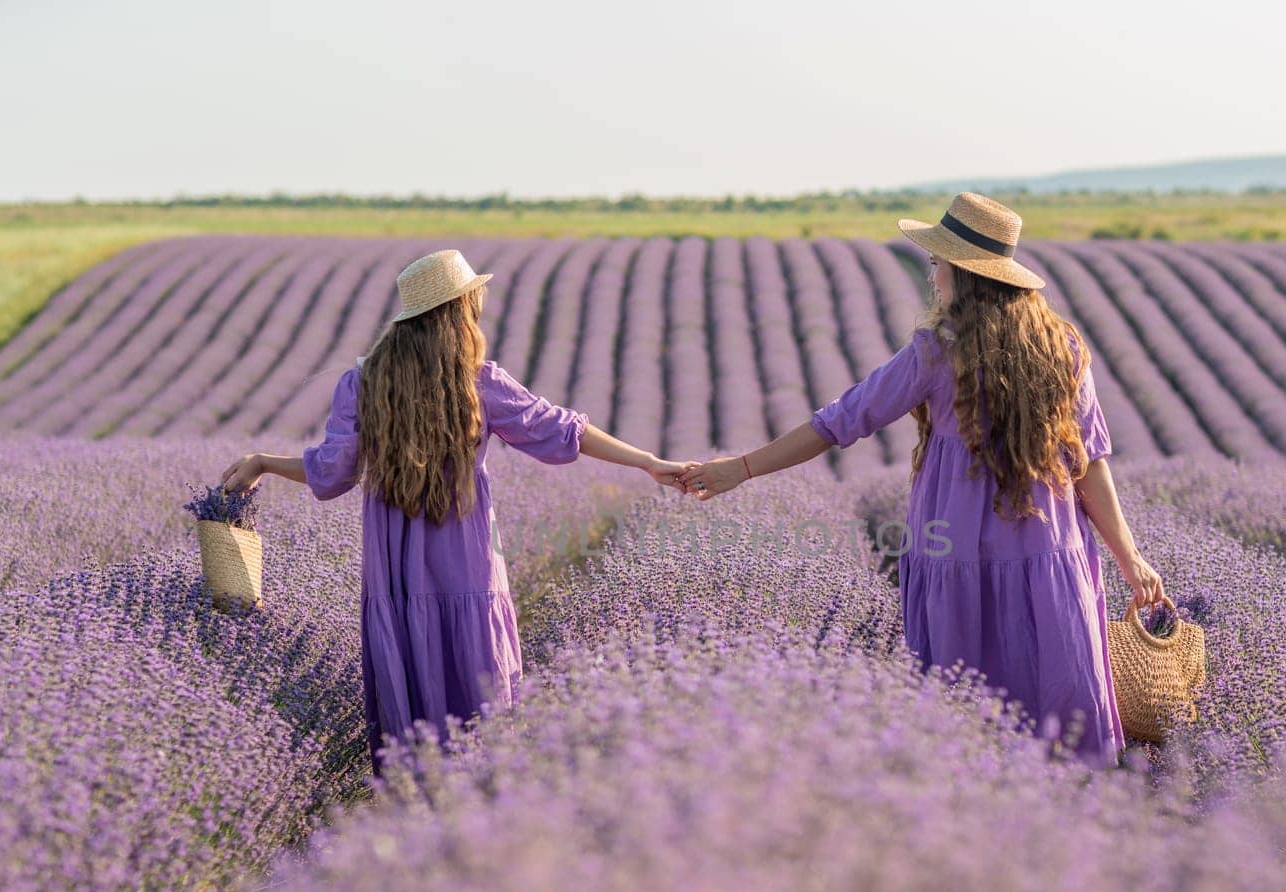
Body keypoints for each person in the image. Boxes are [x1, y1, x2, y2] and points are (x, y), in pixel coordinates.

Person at [679, 194, 1164, 769]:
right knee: (1060, 709)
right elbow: (1090, 466)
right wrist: (1130, 558)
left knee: (967, 719)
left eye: (937, 263)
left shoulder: (937, 353)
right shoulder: (1063, 349)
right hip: (1048, 551)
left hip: (954, 549)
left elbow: (838, 422)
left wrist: (742, 467)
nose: (932, 276)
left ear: (965, 273)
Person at [221, 249, 692, 776]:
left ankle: (412, 787)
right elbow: (565, 431)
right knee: (478, 669)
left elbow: (333, 472)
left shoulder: (362, 383)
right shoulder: (480, 381)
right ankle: (483, 782)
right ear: (461, 308)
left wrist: (264, 460)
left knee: (411, 661)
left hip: (397, 562)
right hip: (468, 551)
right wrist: (649, 462)